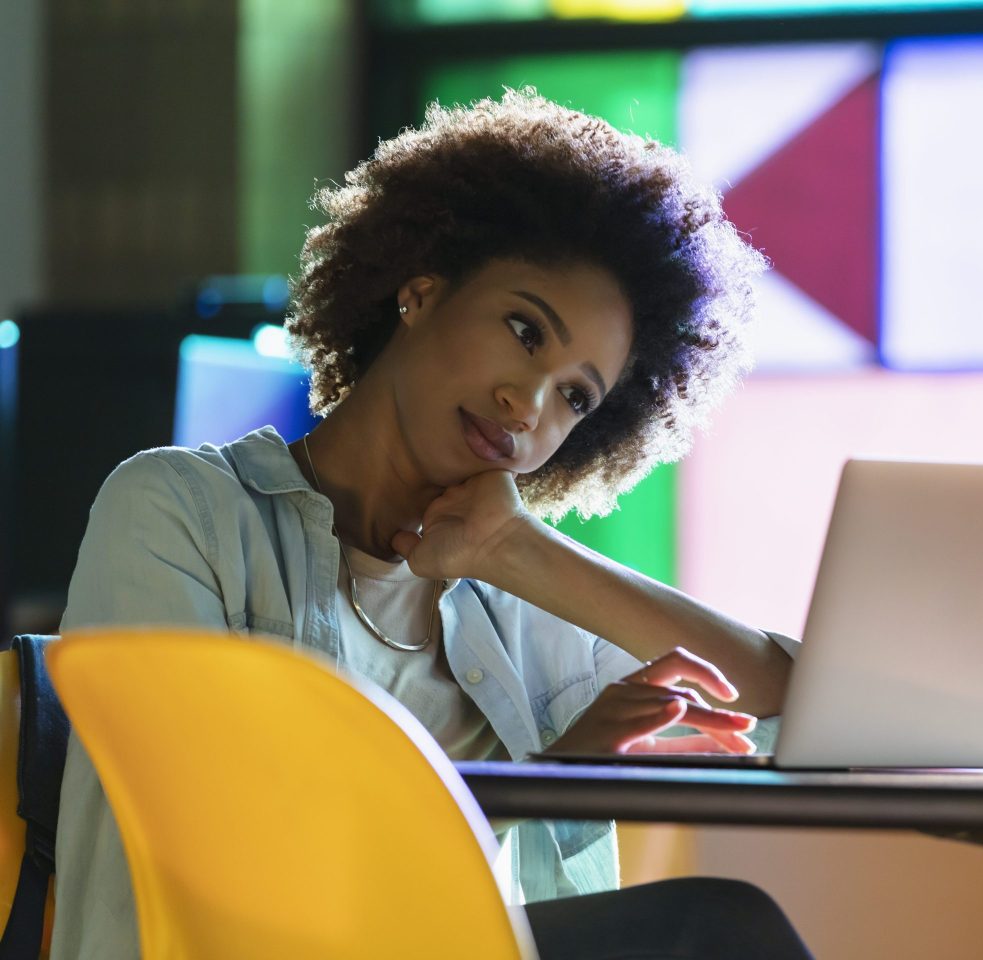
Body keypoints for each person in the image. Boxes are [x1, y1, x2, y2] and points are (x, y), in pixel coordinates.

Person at [51, 90, 812, 959]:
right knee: (709, 929)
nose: (526, 406)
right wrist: (538, 783)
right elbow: (218, 843)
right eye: (525, 331)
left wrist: (517, 551)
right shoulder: (178, 509)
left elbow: (793, 705)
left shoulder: (513, 593)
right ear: (419, 292)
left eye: (574, 396)